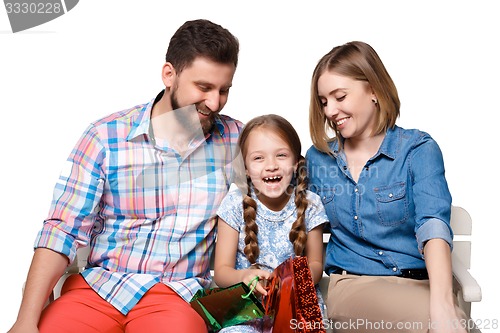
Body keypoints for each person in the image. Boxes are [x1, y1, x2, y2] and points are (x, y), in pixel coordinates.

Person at [8, 19, 243, 333]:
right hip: (98, 290)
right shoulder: (105, 136)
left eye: (223, 90)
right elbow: (62, 231)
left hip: (177, 295)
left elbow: (289, 187)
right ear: (169, 75)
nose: (215, 102)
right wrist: (25, 321)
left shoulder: (238, 141)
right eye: (203, 88)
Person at [306, 41, 468, 333]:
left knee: (449, 320)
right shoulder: (319, 159)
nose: (330, 110)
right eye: (323, 101)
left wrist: (442, 303)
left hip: (419, 285)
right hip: (353, 284)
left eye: (340, 96)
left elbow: (432, 224)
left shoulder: (418, 150)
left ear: (373, 90)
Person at [214, 114, 328, 333]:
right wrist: (244, 276)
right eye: (259, 158)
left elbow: (315, 264)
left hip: (296, 306)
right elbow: (221, 271)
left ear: (296, 163)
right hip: (247, 309)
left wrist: (292, 283)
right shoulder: (235, 203)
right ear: (245, 167)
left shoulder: (310, 203)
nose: (271, 166)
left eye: (281, 155)